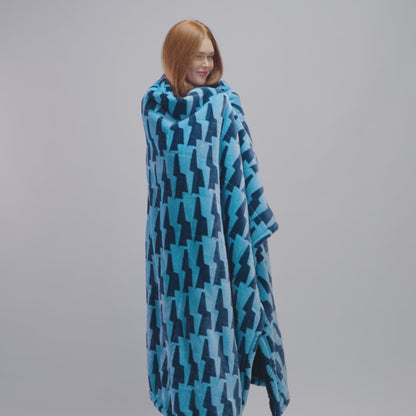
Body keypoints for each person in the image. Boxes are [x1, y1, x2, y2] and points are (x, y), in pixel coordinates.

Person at [141, 20, 290, 416]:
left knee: (215, 344)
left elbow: (243, 177)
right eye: (198, 56)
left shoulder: (225, 106)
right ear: (177, 57)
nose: (206, 64)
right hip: (171, 257)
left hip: (218, 249)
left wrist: (243, 232)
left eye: (211, 56)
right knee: (178, 346)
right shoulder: (153, 108)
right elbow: (161, 190)